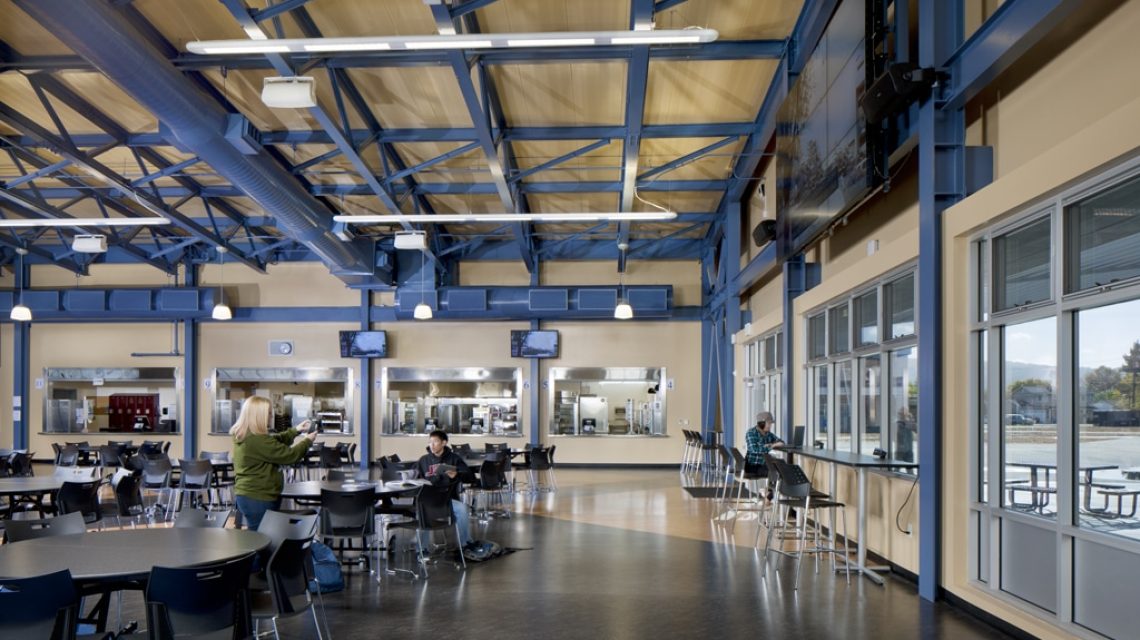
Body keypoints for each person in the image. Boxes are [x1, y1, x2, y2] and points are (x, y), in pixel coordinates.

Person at [230, 396, 317, 532]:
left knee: (261, 536)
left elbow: (274, 441)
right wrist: (307, 441)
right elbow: (290, 455)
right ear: (259, 415)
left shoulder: (248, 436)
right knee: (262, 538)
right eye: (269, 413)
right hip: (258, 497)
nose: (271, 416)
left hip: (249, 495)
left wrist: (296, 430)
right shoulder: (257, 440)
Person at [416, 430, 477, 555]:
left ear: (444, 443)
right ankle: (422, 549)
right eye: (430, 442)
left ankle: (465, 544)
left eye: (435, 442)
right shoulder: (423, 460)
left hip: (446, 500)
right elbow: (416, 478)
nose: (432, 445)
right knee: (421, 512)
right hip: (427, 500)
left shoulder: (454, 459)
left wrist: (456, 475)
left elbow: (470, 477)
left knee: (462, 509)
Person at [744, 411, 783, 476]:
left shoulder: (768, 434)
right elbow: (754, 449)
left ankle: (776, 482)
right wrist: (771, 446)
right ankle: (775, 482)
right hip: (753, 466)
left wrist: (774, 444)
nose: (770, 426)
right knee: (778, 471)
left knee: (783, 468)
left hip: (765, 464)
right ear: (762, 423)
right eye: (769, 423)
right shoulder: (751, 433)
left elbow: (780, 441)